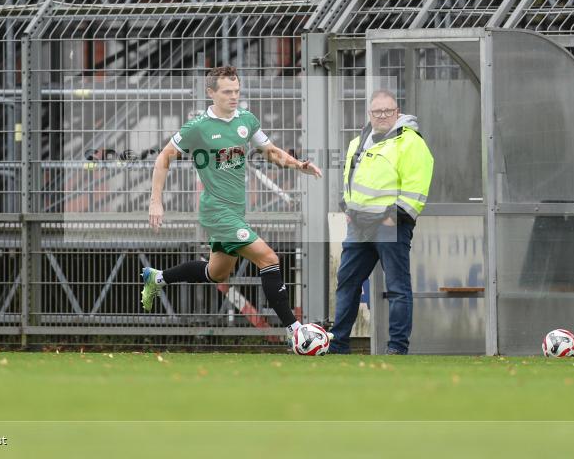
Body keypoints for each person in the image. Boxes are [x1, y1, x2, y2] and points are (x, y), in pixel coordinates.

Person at [143, 65, 323, 346]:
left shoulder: (246, 121)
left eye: (237, 91)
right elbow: (163, 158)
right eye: (227, 92)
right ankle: (295, 330)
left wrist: (298, 165)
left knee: (216, 273)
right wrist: (156, 202)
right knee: (269, 259)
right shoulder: (198, 127)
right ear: (211, 93)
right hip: (216, 212)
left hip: (236, 211)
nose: (234, 96)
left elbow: (270, 151)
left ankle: (157, 277)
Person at [329, 90, 433, 355]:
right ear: (370, 114)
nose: (383, 115)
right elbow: (349, 178)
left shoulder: (410, 142)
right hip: (359, 225)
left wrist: (394, 217)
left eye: (388, 111)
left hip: (390, 225)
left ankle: (397, 347)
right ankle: (338, 344)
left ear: (397, 112)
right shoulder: (359, 141)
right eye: (377, 111)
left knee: (397, 288)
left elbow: (417, 184)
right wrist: (347, 208)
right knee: (347, 283)